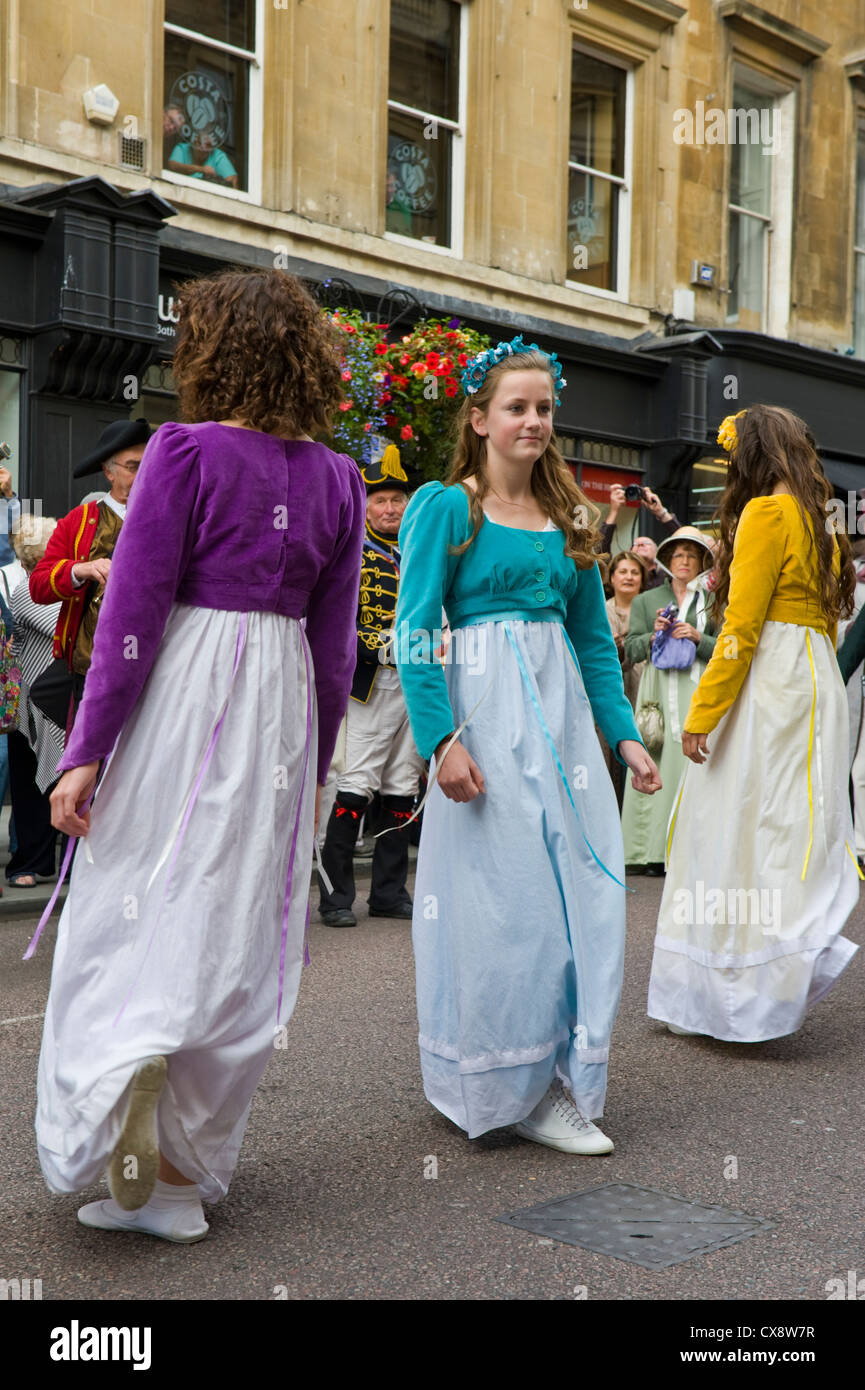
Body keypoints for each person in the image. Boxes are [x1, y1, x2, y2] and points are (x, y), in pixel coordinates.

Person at [33, 267, 366, 1243]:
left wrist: (86, 750)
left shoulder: (181, 452)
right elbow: (335, 644)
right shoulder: (339, 479)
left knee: (136, 886)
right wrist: (315, 772)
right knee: (233, 915)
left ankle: (134, 1046)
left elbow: (131, 617)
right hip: (278, 706)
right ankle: (175, 1179)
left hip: (184, 687)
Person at [395, 335, 661, 1157]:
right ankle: (496, 1080)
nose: (534, 421)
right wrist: (440, 743)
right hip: (483, 721)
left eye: (544, 408)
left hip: (563, 730)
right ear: (478, 419)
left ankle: (551, 1078)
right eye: (516, 407)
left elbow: (590, 642)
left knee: (578, 896)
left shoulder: (574, 519)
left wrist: (622, 736)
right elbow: (413, 630)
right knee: (502, 906)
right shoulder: (447, 506)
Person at [648, 406, 860, 1041]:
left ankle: (736, 989)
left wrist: (702, 713)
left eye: (734, 453)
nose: (729, 464)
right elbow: (823, 622)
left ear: (754, 454)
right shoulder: (820, 521)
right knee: (790, 826)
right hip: (813, 677)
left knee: (734, 824)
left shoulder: (768, 512)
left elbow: (741, 626)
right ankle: (773, 966)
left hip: (771, 673)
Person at [318, 447, 424, 927]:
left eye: (397, 500)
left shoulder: (419, 553)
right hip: (369, 682)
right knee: (354, 786)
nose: (389, 509)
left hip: (415, 682)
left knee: (402, 786)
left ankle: (388, 892)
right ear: (364, 505)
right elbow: (335, 617)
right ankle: (336, 896)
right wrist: (376, 647)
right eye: (380, 500)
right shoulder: (350, 553)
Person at [29, 419, 151, 714]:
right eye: (134, 466)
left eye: (149, 464)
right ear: (108, 472)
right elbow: (38, 586)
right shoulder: (79, 520)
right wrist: (79, 570)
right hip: (90, 666)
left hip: (151, 665)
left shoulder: (167, 517)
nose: (145, 472)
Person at [621, 528, 717, 875]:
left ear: (703, 561)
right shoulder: (648, 600)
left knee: (695, 764)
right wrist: (654, 634)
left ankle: (691, 851)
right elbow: (630, 649)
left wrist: (697, 637)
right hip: (656, 692)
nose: (685, 561)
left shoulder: (712, 599)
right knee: (655, 756)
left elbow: (728, 649)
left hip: (697, 689)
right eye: (679, 554)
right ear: (667, 560)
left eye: (692, 555)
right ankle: (647, 852)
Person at [6, 514, 63, 888]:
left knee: (61, 779)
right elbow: (66, 626)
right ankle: (29, 862)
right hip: (34, 705)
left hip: (60, 700)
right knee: (31, 786)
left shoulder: (61, 585)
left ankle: (61, 861)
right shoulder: (28, 589)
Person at [600, 550, 648, 809]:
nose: (629, 577)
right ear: (612, 577)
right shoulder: (601, 610)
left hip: (642, 686)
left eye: (634, 572)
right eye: (623, 571)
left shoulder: (649, 608)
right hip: (612, 688)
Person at [601, 484, 681, 588]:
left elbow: (687, 543)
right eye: (635, 544)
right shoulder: (620, 579)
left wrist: (661, 512)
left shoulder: (668, 576)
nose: (641, 544)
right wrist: (614, 511)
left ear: (658, 554)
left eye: (647, 543)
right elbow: (601, 554)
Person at [166, 132, 239, 189]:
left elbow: (233, 180)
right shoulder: (182, 148)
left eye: (208, 145)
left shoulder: (217, 155)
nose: (204, 148)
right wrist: (201, 169)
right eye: (200, 143)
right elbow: (173, 166)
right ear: (193, 142)